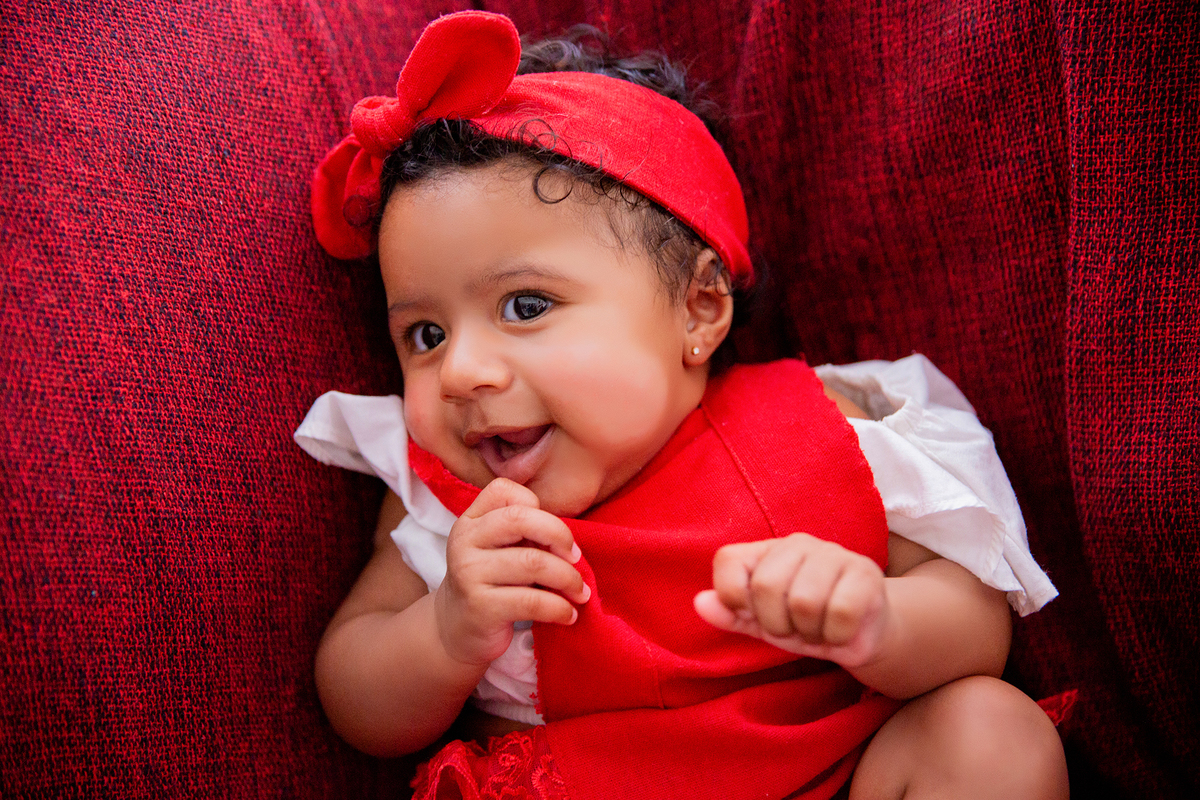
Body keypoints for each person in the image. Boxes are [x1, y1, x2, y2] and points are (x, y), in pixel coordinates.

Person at [295, 10, 1068, 800]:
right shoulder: (441, 504)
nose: (460, 371)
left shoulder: (825, 429)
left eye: (525, 307)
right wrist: (445, 631)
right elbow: (354, 697)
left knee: (989, 729)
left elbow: (979, 628)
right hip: (581, 783)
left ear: (699, 309)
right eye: (425, 334)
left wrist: (880, 621)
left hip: (833, 772)